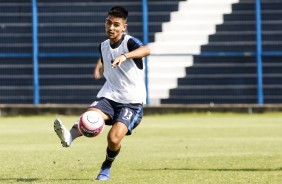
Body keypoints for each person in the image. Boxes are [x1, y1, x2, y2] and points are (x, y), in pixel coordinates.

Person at [53, 6, 151, 181]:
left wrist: (125, 56)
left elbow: (146, 50)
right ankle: (69, 137)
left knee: (113, 139)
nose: (111, 27)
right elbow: (106, 54)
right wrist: (99, 66)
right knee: (89, 117)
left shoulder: (129, 42)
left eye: (116, 24)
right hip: (109, 95)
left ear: (123, 27)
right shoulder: (103, 45)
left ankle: (106, 166)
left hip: (131, 101)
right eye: (108, 22)